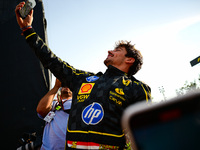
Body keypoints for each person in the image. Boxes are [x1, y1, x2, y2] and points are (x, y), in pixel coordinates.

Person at [15, 2, 151, 149]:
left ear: (129, 59)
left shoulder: (137, 88)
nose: (110, 51)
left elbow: (148, 135)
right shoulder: (83, 79)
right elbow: (51, 60)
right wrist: (27, 29)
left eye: (117, 50)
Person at [37, 79, 72, 150]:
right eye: (64, 85)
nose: (66, 86)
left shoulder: (79, 104)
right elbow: (41, 110)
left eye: (69, 84)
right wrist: (56, 87)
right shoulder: (53, 104)